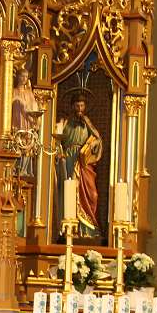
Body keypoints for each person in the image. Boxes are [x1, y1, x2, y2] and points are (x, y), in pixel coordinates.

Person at [54, 91, 102, 236]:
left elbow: (98, 139)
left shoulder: (87, 122)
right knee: (69, 191)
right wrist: (60, 153)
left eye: (82, 105)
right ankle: (70, 227)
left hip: (83, 161)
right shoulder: (65, 122)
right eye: (77, 105)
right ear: (72, 106)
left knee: (92, 194)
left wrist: (92, 145)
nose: (80, 109)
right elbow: (57, 141)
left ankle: (88, 228)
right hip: (68, 160)